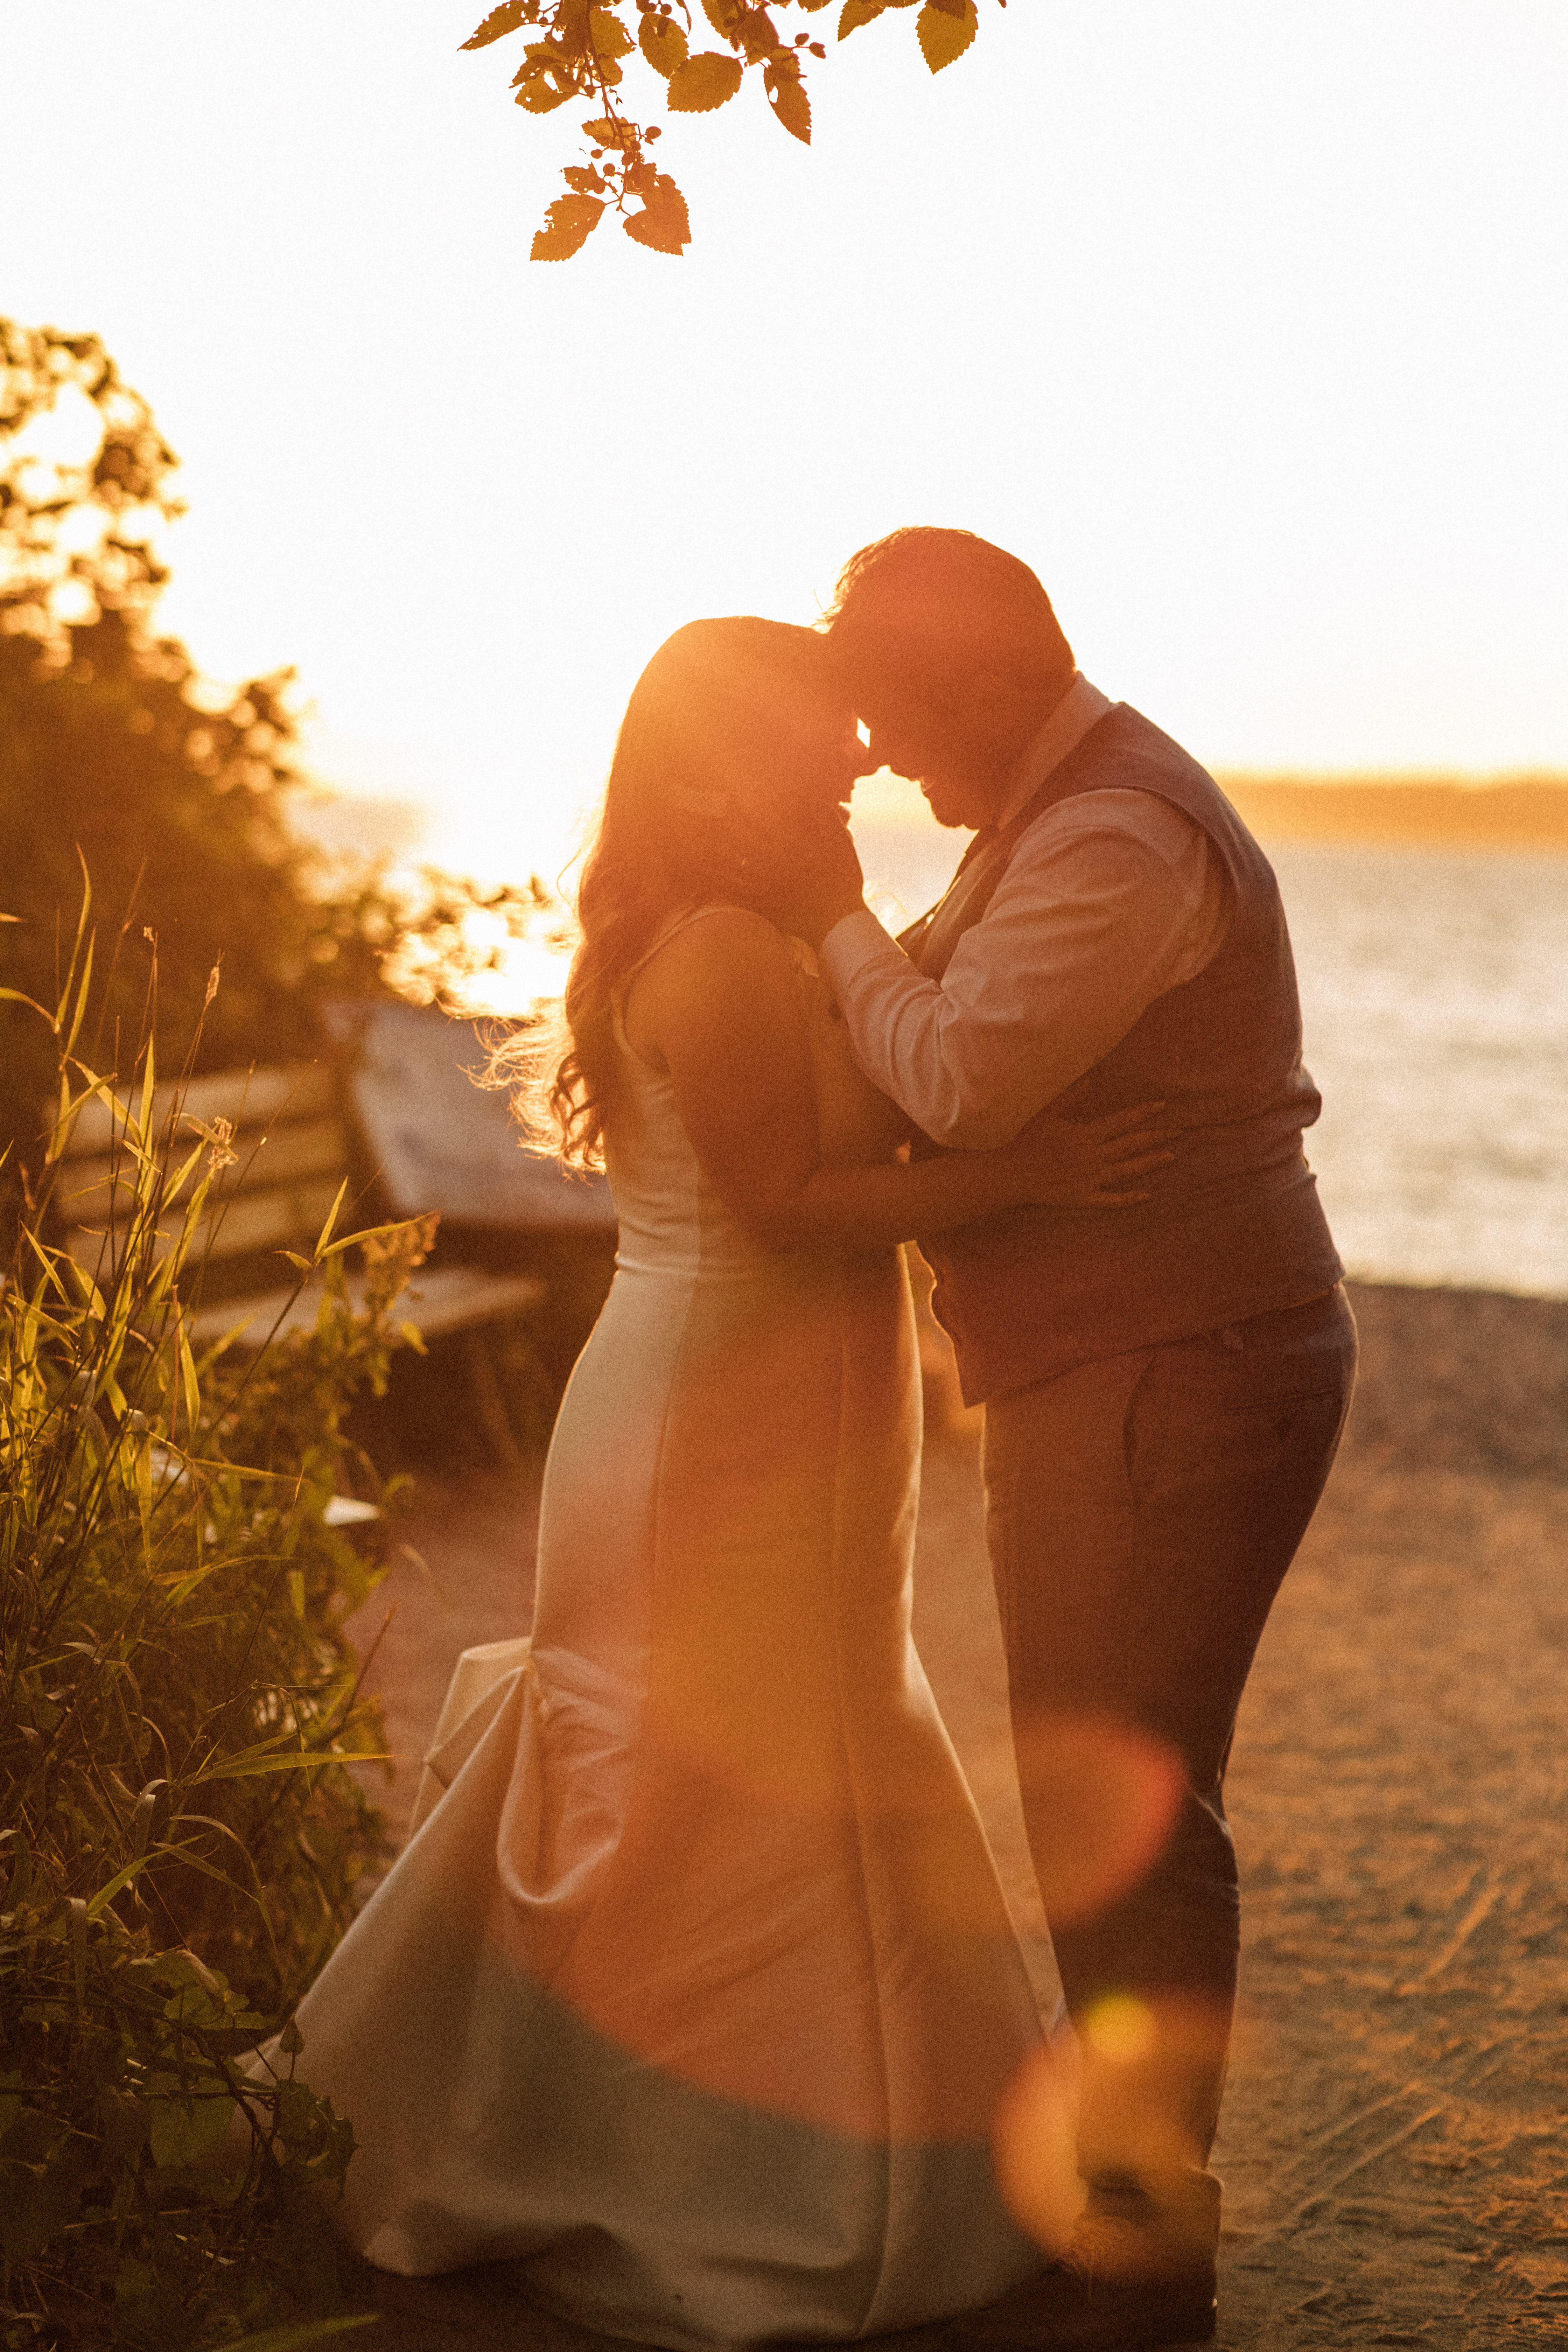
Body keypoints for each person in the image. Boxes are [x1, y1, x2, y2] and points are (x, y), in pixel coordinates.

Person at [257, 617, 1174, 2350]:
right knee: (707, 1759)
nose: (850, 762)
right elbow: (791, 1203)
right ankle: (688, 2181)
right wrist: (1033, 1173)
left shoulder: (770, 936)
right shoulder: (721, 957)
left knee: (791, 1730)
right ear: (715, 764)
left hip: (785, 1401)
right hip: (713, 1422)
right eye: (816, 736)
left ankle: (756, 2146)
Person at [735, 531, 1358, 2352]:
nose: (890, 757)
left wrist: (825, 905)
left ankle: (1150, 2255)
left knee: (1130, 1807)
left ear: (1001, 685)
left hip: (1175, 1357)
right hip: (1148, 1349)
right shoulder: (1055, 814)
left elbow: (949, 1075)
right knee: (1114, 1794)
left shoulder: (1110, 839)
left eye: (906, 717)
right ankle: (1133, 2217)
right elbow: (923, 1031)